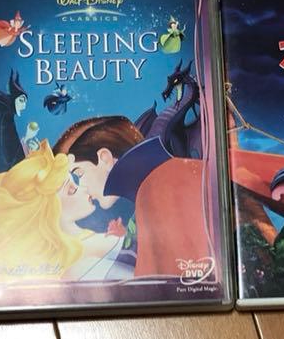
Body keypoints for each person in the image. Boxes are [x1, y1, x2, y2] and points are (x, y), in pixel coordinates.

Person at [54, 115, 209, 276]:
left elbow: (180, 279)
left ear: (105, 158)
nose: (83, 187)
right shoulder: (154, 187)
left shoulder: (159, 188)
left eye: (79, 173)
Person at [0, 139, 125, 282]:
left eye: (75, 182)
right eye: (71, 189)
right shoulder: (84, 251)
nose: (84, 188)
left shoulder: (84, 242)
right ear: (51, 210)